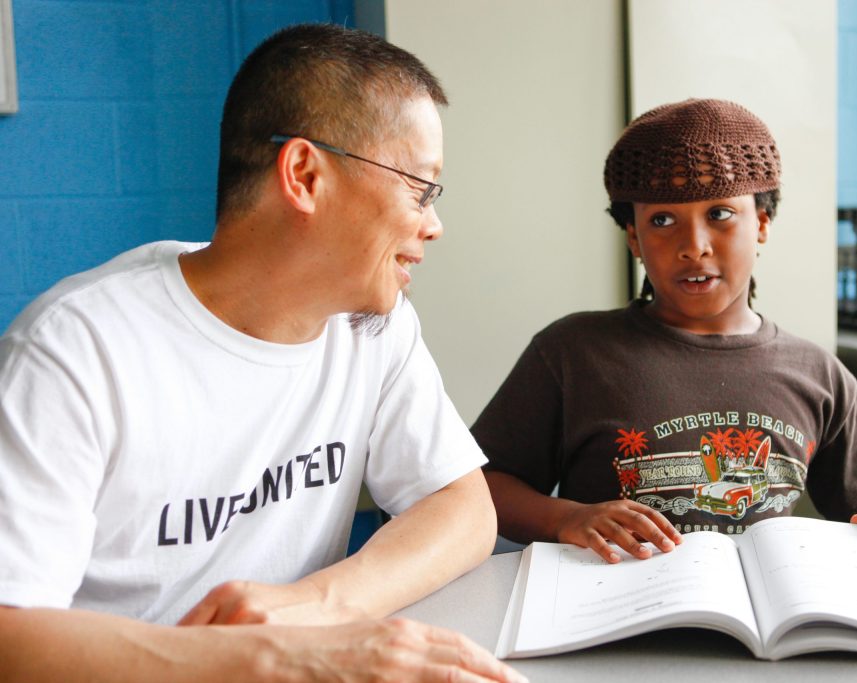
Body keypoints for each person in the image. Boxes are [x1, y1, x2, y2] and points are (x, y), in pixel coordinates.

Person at [0, 24, 525, 683]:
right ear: (304, 175)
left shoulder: (373, 326)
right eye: (419, 188)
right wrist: (274, 656)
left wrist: (318, 607)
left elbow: (464, 506)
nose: (434, 224)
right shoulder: (71, 352)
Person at [472, 98, 857, 566]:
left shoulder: (815, 372)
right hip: (610, 609)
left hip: (762, 625)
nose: (694, 245)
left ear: (762, 223)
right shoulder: (572, 353)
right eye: (663, 219)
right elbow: (483, 488)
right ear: (634, 238)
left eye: (720, 214)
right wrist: (567, 518)